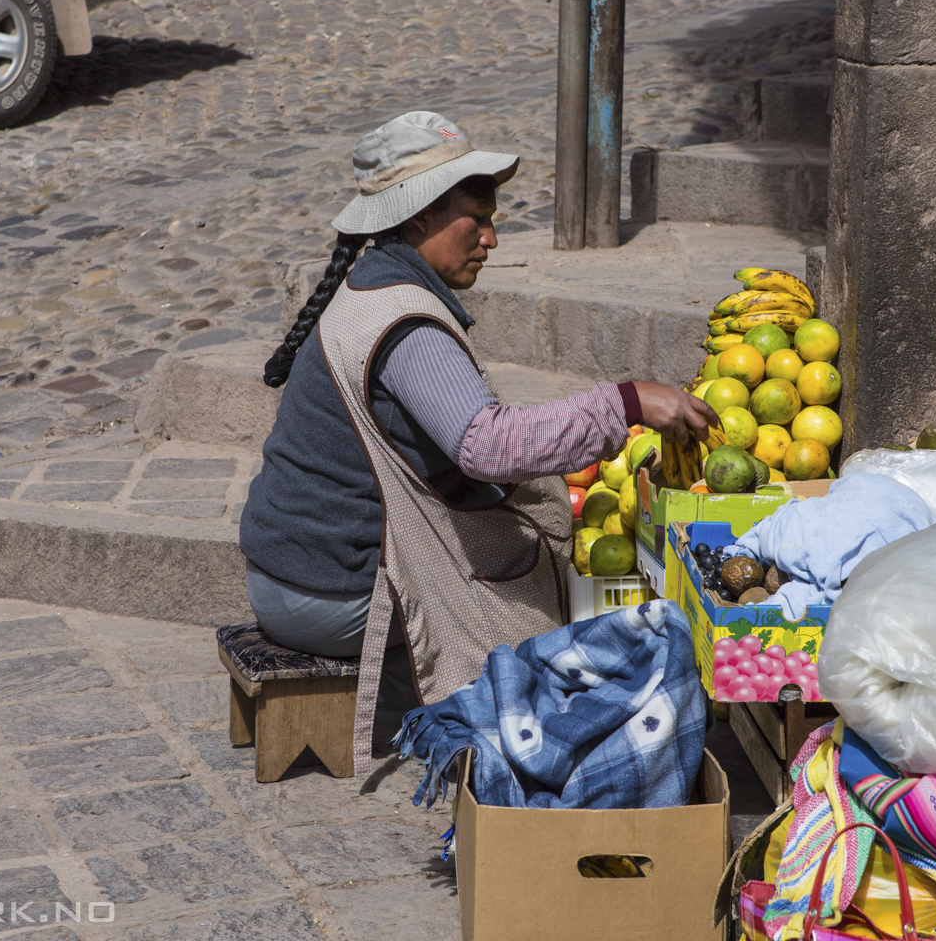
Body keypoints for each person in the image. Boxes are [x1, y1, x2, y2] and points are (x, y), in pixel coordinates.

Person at [237, 111, 717, 767]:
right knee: (548, 641)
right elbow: (484, 446)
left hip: (288, 573)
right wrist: (626, 402)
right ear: (416, 220)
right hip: (330, 593)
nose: (491, 237)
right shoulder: (407, 323)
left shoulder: (373, 284)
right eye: (476, 219)